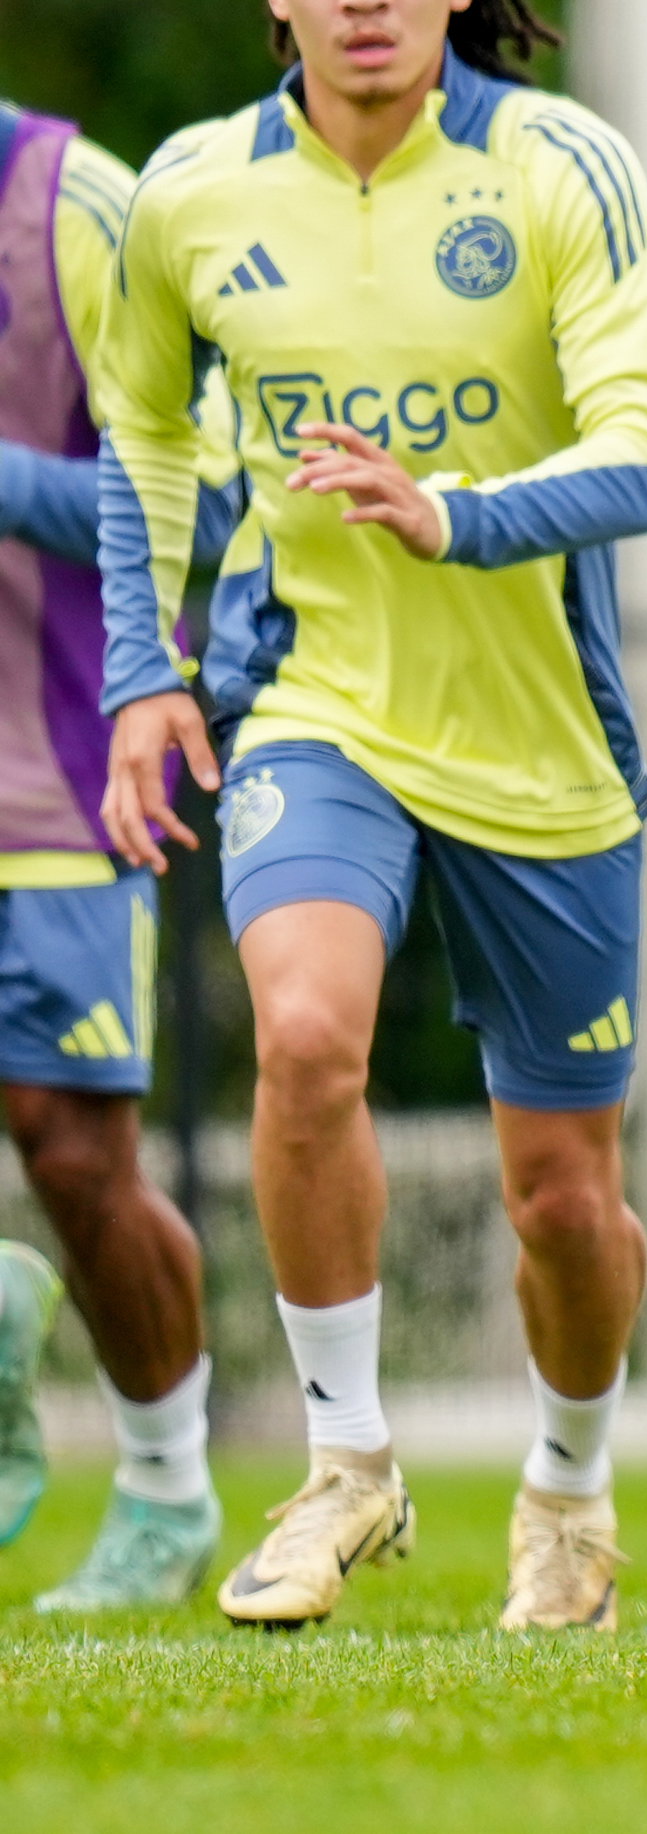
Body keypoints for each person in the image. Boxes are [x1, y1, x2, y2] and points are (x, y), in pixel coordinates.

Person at [95, 0, 647, 1633]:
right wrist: (144, 672)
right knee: (299, 1035)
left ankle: (569, 1490)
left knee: (565, 1202)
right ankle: (347, 1466)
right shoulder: (194, 195)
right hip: (318, 709)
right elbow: (145, 446)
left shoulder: (560, 170)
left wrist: (460, 515)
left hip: (539, 743)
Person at [0, 96, 243, 1611]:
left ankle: (165, 1488)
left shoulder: (76, 202)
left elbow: (207, 494)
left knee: (73, 1147)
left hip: (60, 757)